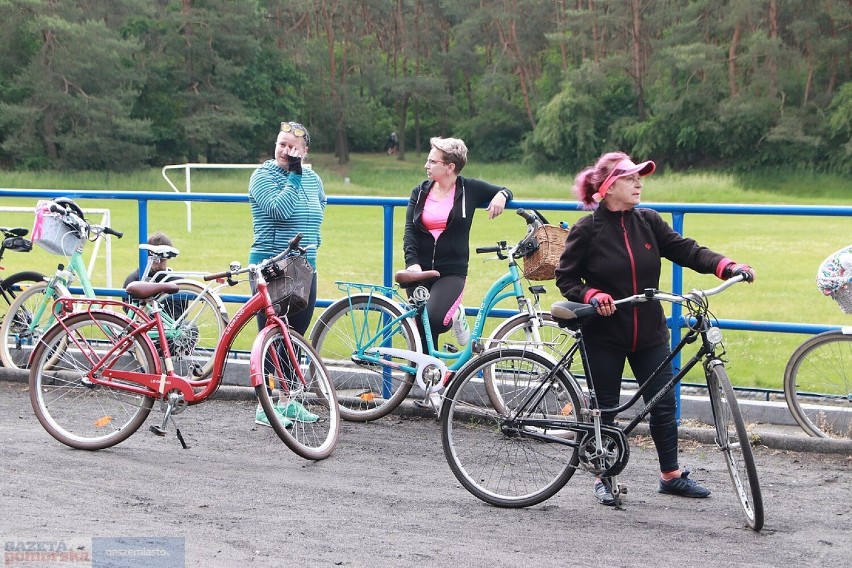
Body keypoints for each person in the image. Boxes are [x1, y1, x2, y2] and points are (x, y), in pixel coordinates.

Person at [554, 151, 756, 506]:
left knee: (662, 405)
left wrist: (726, 265)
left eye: (639, 178)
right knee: (605, 407)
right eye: (631, 178)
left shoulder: (648, 221)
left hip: (649, 332)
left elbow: (687, 250)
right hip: (604, 334)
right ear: (610, 186)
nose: (639, 184)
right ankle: (603, 476)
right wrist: (593, 293)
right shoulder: (587, 228)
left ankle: (671, 475)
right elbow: (566, 278)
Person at [248, 120, 326, 428]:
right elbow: (279, 210)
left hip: (305, 267)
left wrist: (314, 241)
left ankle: (289, 401)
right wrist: (293, 175)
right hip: (272, 266)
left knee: (294, 337)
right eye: (281, 144)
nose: (285, 150)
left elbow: (319, 207)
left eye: (292, 147)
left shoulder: (313, 178)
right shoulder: (262, 176)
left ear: (305, 151)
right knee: (271, 337)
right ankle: (264, 405)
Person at [402, 136, 512, 350]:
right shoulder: (420, 191)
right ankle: (428, 379)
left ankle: (456, 314)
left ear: (450, 167)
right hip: (420, 269)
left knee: (434, 320)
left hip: (451, 272)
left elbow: (505, 190)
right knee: (421, 330)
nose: (427, 165)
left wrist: (501, 195)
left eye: (433, 162)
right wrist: (411, 262)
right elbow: (410, 230)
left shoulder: (470, 189)